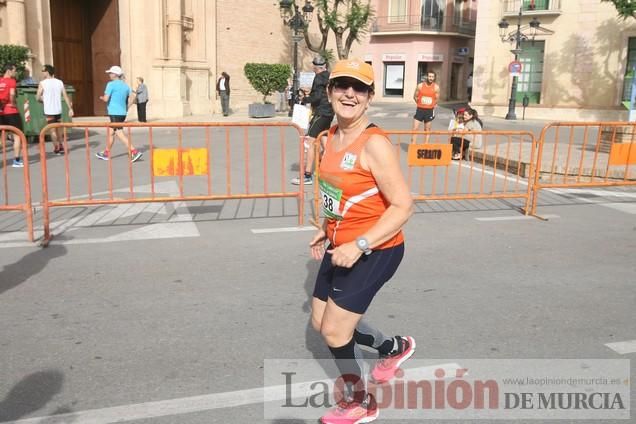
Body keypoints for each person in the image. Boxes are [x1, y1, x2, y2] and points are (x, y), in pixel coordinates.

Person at [308, 59, 415, 423]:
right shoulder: (330, 137)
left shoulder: (375, 144)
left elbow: (403, 206)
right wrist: (328, 225)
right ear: (329, 92)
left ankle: (361, 402)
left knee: (336, 332)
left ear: (369, 97)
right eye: (342, 86)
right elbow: (341, 191)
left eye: (359, 88)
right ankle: (394, 347)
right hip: (341, 244)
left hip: (376, 249)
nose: (349, 94)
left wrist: (361, 244)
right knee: (320, 324)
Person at [291, 56, 334, 186]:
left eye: (314, 67)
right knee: (324, 141)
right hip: (329, 112)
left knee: (309, 141)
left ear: (316, 67)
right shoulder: (330, 76)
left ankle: (308, 174)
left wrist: (305, 100)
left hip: (321, 112)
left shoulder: (319, 77)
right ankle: (329, 170)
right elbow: (323, 94)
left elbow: (317, 98)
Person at [96, 65, 142, 162]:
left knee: (119, 133)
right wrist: (128, 106)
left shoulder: (111, 85)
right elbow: (133, 97)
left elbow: (106, 98)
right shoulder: (125, 85)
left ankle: (134, 151)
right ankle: (106, 153)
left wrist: (102, 98)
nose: (109, 74)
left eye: (111, 73)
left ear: (115, 75)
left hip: (114, 112)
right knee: (111, 133)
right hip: (122, 112)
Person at [37, 64, 74, 155]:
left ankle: (56, 148)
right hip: (58, 109)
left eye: (43, 71)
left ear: (47, 72)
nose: (42, 73)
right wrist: (70, 108)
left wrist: (42, 100)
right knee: (59, 129)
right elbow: (65, 96)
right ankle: (61, 146)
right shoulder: (59, 82)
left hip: (49, 110)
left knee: (52, 130)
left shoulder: (42, 83)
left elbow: (37, 97)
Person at [0, 64, 25, 167]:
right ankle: (16, 160)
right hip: (11, 111)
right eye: (14, 70)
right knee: (17, 135)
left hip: (1, 112)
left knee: (2, 137)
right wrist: (13, 104)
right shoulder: (11, 81)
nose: (15, 72)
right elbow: (12, 94)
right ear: (9, 71)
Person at [411, 70, 440, 143]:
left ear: (434, 78)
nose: (431, 78)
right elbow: (415, 96)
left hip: (429, 111)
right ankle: (413, 145)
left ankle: (425, 145)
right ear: (427, 77)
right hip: (420, 110)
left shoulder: (436, 87)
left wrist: (431, 105)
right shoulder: (420, 86)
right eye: (429, 76)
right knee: (415, 128)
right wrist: (420, 103)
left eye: (432, 77)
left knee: (427, 130)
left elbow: (437, 99)